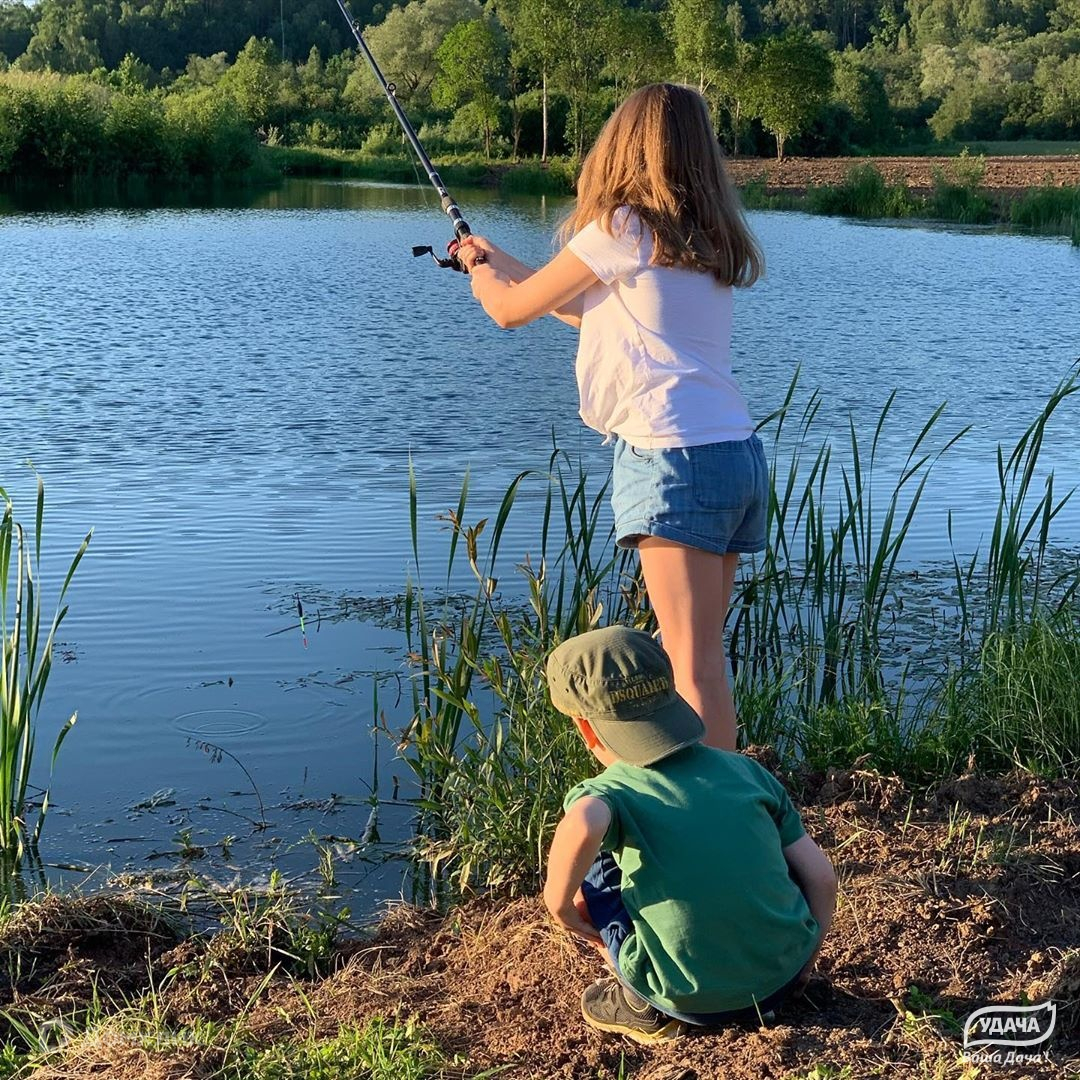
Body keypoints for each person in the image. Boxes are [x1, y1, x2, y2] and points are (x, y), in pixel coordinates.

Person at [457, 82, 766, 752]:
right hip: (734, 456)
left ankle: (709, 823)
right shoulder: (704, 240)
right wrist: (497, 259)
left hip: (672, 457)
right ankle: (727, 808)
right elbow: (587, 310)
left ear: (623, 147)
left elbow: (512, 312)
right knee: (704, 659)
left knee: (689, 665)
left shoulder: (622, 226)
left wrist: (478, 276)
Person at [542, 624, 836, 1044]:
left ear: (585, 728)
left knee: (597, 860)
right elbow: (823, 878)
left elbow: (585, 822)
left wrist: (561, 908)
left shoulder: (610, 793)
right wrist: (806, 960)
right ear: (671, 694)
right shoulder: (746, 771)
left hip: (683, 997)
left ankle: (640, 1004)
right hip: (783, 978)